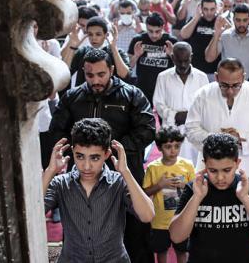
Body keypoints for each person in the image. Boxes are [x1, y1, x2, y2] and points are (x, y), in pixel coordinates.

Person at [49, 49, 156, 263]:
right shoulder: (73, 97)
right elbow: (57, 131)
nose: (96, 80)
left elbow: (147, 129)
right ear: (84, 72)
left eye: (101, 74)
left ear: (112, 70)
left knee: (135, 232)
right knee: (81, 230)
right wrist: (83, 154)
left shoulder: (132, 94)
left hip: (123, 172)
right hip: (83, 174)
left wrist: (111, 150)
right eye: (90, 75)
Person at [42, 118, 154, 262]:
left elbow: (148, 215)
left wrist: (126, 172)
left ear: (106, 154)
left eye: (94, 158)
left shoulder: (118, 182)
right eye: (80, 156)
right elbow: (31, 215)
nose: (86, 166)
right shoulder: (60, 184)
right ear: (73, 152)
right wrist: (50, 172)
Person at [168, 133, 249, 263]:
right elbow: (176, 236)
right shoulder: (194, 188)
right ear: (205, 165)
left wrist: (245, 198)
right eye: (213, 171)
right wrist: (197, 198)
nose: (220, 178)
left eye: (227, 170)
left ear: (237, 163)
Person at [185, 58, 249, 180]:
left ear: (243, 78)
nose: (230, 91)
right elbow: (191, 129)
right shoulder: (202, 95)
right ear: (217, 77)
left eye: (236, 85)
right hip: (210, 169)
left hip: (246, 168)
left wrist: (241, 138)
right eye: (224, 85)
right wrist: (216, 140)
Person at [143, 126, 196, 263]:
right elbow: (144, 193)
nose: (173, 151)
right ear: (159, 148)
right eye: (168, 146)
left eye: (177, 146)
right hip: (160, 222)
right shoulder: (153, 168)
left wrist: (185, 185)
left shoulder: (187, 165)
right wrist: (160, 185)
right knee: (161, 253)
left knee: (182, 253)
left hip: (181, 219)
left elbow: (196, 189)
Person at [153, 42, 208, 164]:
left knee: (196, 168)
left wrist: (190, 116)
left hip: (195, 131)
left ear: (191, 57)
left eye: (186, 60)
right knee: (172, 170)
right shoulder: (163, 77)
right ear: (172, 58)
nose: (183, 65)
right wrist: (175, 115)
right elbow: (158, 104)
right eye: (179, 60)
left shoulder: (202, 77)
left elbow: (207, 105)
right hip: (171, 132)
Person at [205, 4, 249, 79]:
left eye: (245, 20)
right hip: (229, 84)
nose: (241, 24)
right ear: (233, 19)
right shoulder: (225, 35)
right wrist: (216, 34)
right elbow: (209, 58)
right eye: (238, 20)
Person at [65, 16, 131, 89]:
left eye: (98, 34)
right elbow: (65, 73)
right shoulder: (83, 51)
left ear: (106, 35)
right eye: (90, 34)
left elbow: (124, 75)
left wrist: (113, 48)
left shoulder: (117, 52)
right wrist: (73, 47)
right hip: (85, 97)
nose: (94, 38)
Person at [128, 12, 178, 105]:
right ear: (146, 27)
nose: (154, 35)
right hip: (143, 86)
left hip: (165, 87)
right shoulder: (138, 40)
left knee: (165, 118)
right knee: (144, 118)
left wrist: (171, 55)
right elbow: (129, 66)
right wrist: (136, 56)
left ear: (163, 27)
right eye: (150, 31)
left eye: (157, 31)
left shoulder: (171, 41)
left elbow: (180, 68)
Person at [180, 0, 220, 81]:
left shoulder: (220, 21)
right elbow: (184, 34)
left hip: (214, 71)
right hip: (196, 70)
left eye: (212, 9)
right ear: (201, 8)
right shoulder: (195, 20)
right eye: (206, 9)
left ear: (216, 8)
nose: (209, 12)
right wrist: (197, 17)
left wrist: (220, 16)